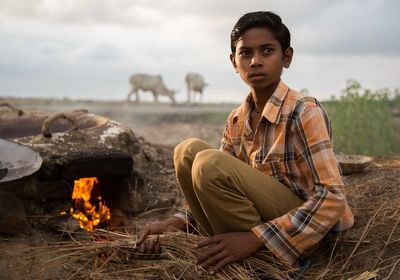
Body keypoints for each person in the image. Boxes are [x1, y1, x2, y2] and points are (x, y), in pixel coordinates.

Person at [136, 11, 354, 275]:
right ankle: (222, 244)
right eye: (246, 53)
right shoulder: (237, 119)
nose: (255, 61)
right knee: (187, 151)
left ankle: (270, 261)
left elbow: (332, 197)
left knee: (209, 162)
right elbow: (215, 188)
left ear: (287, 57)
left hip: (304, 233)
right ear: (233, 61)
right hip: (257, 218)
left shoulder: (304, 112)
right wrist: (177, 222)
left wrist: (255, 238)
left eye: (267, 51)